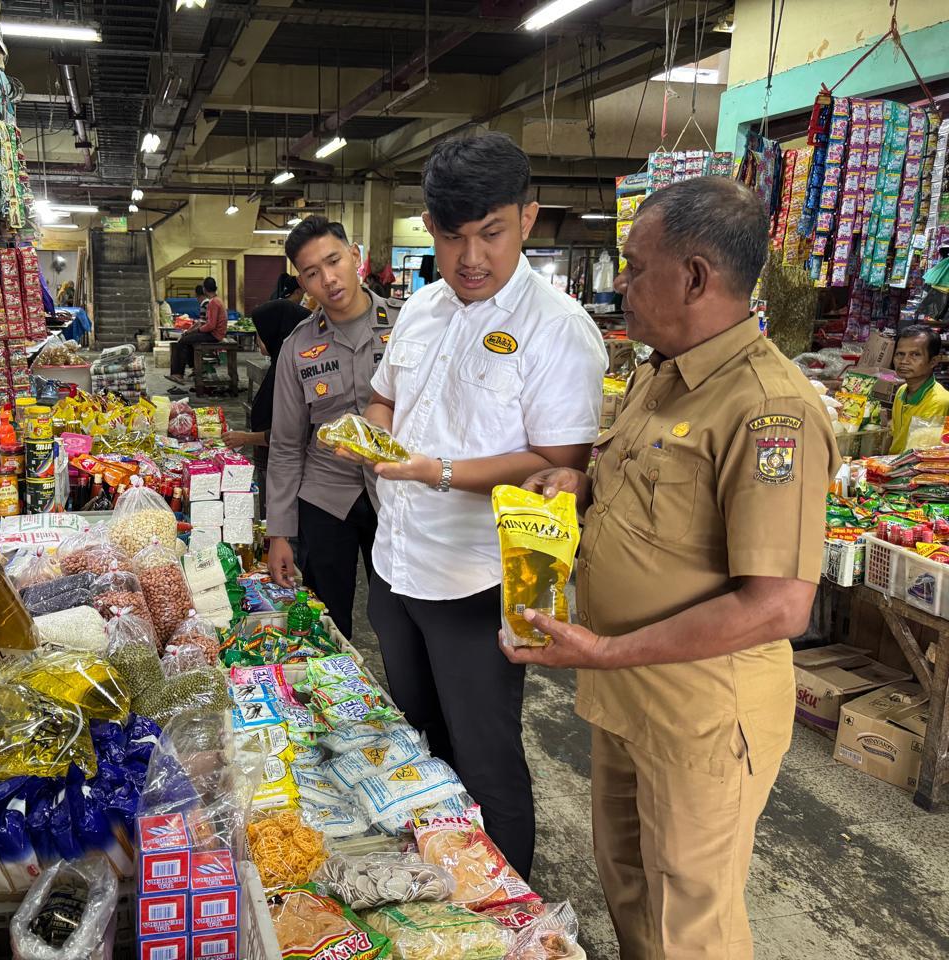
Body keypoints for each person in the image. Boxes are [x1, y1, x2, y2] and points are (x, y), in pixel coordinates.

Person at [504, 177, 840, 960]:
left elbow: (778, 606)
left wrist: (608, 650)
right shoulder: (661, 373)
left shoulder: (766, 410)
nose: (620, 285)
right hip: (626, 693)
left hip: (701, 714)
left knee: (690, 920)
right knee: (627, 883)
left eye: (632, 266)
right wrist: (580, 485)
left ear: (693, 276)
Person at [351, 132, 606, 875]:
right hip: (394, 565)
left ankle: (511, 915)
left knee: (485, 754)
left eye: (490, 233)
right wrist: (374, 441)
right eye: (451, 235)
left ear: (528, 218)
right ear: (428, 227)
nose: (470, 257)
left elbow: (562, 462)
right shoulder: (424, 309)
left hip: (474, 581)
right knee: (416, 736)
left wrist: (437, 470)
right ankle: (439, 883)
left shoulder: (557, 331)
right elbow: (381, 399)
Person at [266, 217, 403, 639]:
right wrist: (280, 532)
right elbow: (286, 445)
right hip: (326, 498)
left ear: (355, 256)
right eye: (311, 273)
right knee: (328, 620)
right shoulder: (298, 347)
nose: (328, 279)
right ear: (302, 283)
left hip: (400, 494)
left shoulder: (408, 325)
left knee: (400, 619)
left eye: (334, 260)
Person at [222, 273, 311, 514]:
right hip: (272, 464)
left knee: (279, 521)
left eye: (260, 333)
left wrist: (246, 438)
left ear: (277, 332)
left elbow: (292, 432)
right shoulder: (280, 364)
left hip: (284, 469)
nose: (258, 339)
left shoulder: (291, 375)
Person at [889, 324, 949, 453]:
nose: (904, 361)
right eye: (900, 354)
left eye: (915, 355)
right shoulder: (902, 391)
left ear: (933, 361)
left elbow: (920, 454)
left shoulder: (938, 401)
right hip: (894, 465)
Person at [168, 276, 227, 384]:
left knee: (182, 340)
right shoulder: (217, 300)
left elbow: (211, 325)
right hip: (216, 333)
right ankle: (195, 368)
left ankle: (177, 374)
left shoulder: (213, 302)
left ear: (204, 289)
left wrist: (197, 330)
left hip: (214, 335)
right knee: (189, 340)